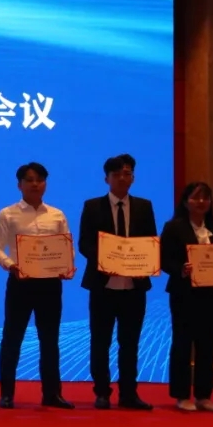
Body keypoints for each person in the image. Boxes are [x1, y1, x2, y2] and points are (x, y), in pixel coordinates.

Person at [0, 162, 75, 409]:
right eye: (29, 180)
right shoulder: (7, 214)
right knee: (12, 338)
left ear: (45, 184)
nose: (35, 184)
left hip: (50, 285)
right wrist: (10, 265)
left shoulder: (57, 215)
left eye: (40, 179)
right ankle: (7, 394)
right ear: (19, 185)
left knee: (50, 340)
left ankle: (52, 394)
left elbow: (66, 246)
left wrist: (67, 266)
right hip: (20, 282)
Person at [78, 154, 157, 410]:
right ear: (107, 179)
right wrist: (105, 260)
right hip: (103, 285)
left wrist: (145, 264)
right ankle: (102, 392)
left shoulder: (144, 206)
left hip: (134, 286)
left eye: (127, 174)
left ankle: (129, 393)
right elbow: (85, 244)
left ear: (133, 177)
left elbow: (150, 243)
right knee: (100, 341)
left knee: (130, 343)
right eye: (116, 175)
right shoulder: (92, 206)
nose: (122, 178)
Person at [160, 182, 213, 412]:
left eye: (205, 198)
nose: (201, 202)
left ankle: (203, 395)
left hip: (211, 295)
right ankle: (181, 395)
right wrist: (181, 269)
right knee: (182, 344)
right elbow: (164, 260)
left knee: (207, 345)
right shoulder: (174, 227)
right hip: (184, 294)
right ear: (185, 201)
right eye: (196, 197)